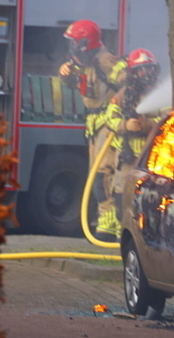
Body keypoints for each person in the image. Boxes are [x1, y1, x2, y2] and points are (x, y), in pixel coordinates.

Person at [58, 20, 126, 235]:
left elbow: (129, 85)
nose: (71, 47)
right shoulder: (84, 62)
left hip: (108, 123)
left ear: (85, 42)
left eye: (74, 42)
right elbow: (82, 86)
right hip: (94, 125)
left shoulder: (106, 61)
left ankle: (112, 224)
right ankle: (105, 221)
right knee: (96, 174)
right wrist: (66, 77)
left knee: (104, 174)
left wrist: (117, 112)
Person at [98, 48, 161, 236]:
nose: (146, 74)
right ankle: (123, 239)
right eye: (142, 70)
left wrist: (146, 124)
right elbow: (110, 119)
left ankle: (146, 238)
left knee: (150, 200)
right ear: (133, 72)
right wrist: (126, 125)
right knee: (121, 198)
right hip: (126, 159)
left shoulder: (161, 93)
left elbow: (170, 119)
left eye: (149, 69)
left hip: (152, 159)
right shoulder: (122, 95)